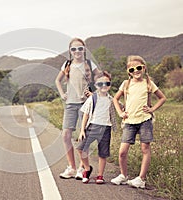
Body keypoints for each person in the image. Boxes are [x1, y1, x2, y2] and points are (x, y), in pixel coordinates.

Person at [111, 55, 166, 188]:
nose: (136, 71)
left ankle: (141, 179)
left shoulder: (148, 83)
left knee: (145, 148)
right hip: (129, 121)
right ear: (128, 72)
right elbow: (115, 99)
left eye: (139, 67)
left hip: (144, 120)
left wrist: (152, 109)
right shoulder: (126, 84)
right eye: (132, 69)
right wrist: (120, 113)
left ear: (144, 68)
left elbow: (162, 98)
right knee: (122, 151)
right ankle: (123, 175)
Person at [55, 37, 101, 179]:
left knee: (83, 137)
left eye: (80, 48)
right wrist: (63, 93)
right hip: (70, 104)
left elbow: (101, 78)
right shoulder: (67, 64)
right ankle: (71, 168)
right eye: (74, 49)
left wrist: (93, 92)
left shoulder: (89, 64)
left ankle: (82, 167)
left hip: (85, 105)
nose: (77, 51)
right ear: (70, 51)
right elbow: (57, 80)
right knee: (66, 135)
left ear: (84, 50)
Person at [77, 71, 117, 184]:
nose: (104, 86)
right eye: (100, 84)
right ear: (96, 86)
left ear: (110, 84)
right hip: (92, 126)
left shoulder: (111, 100)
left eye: (107, 83)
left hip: (106, 128)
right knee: (81, 148)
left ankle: (100, 176)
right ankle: (87, 169)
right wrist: (82, 130)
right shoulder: (92, 98)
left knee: (102, 153)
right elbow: (86, 114)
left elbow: (120, 107)